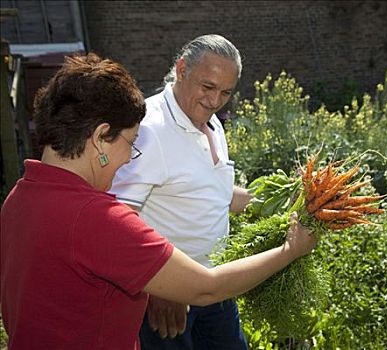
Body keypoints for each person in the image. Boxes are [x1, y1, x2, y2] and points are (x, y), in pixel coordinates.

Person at [0, 53, 317, 350]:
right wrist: (291, 249)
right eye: (131, 143)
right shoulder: (96, 218)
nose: (129, 159)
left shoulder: (18, 198)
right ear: (100, 137)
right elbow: (206, 287)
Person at [109, 34, 253, 349]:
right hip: (168, 298)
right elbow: (118, 217)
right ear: (182, 69)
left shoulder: (212, 123)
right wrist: (155, 286)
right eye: (208, 87)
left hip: (214, 287)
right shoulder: (149, 129)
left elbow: (215, 192)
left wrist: (274, 201)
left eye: (225, 92)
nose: (215, 101)